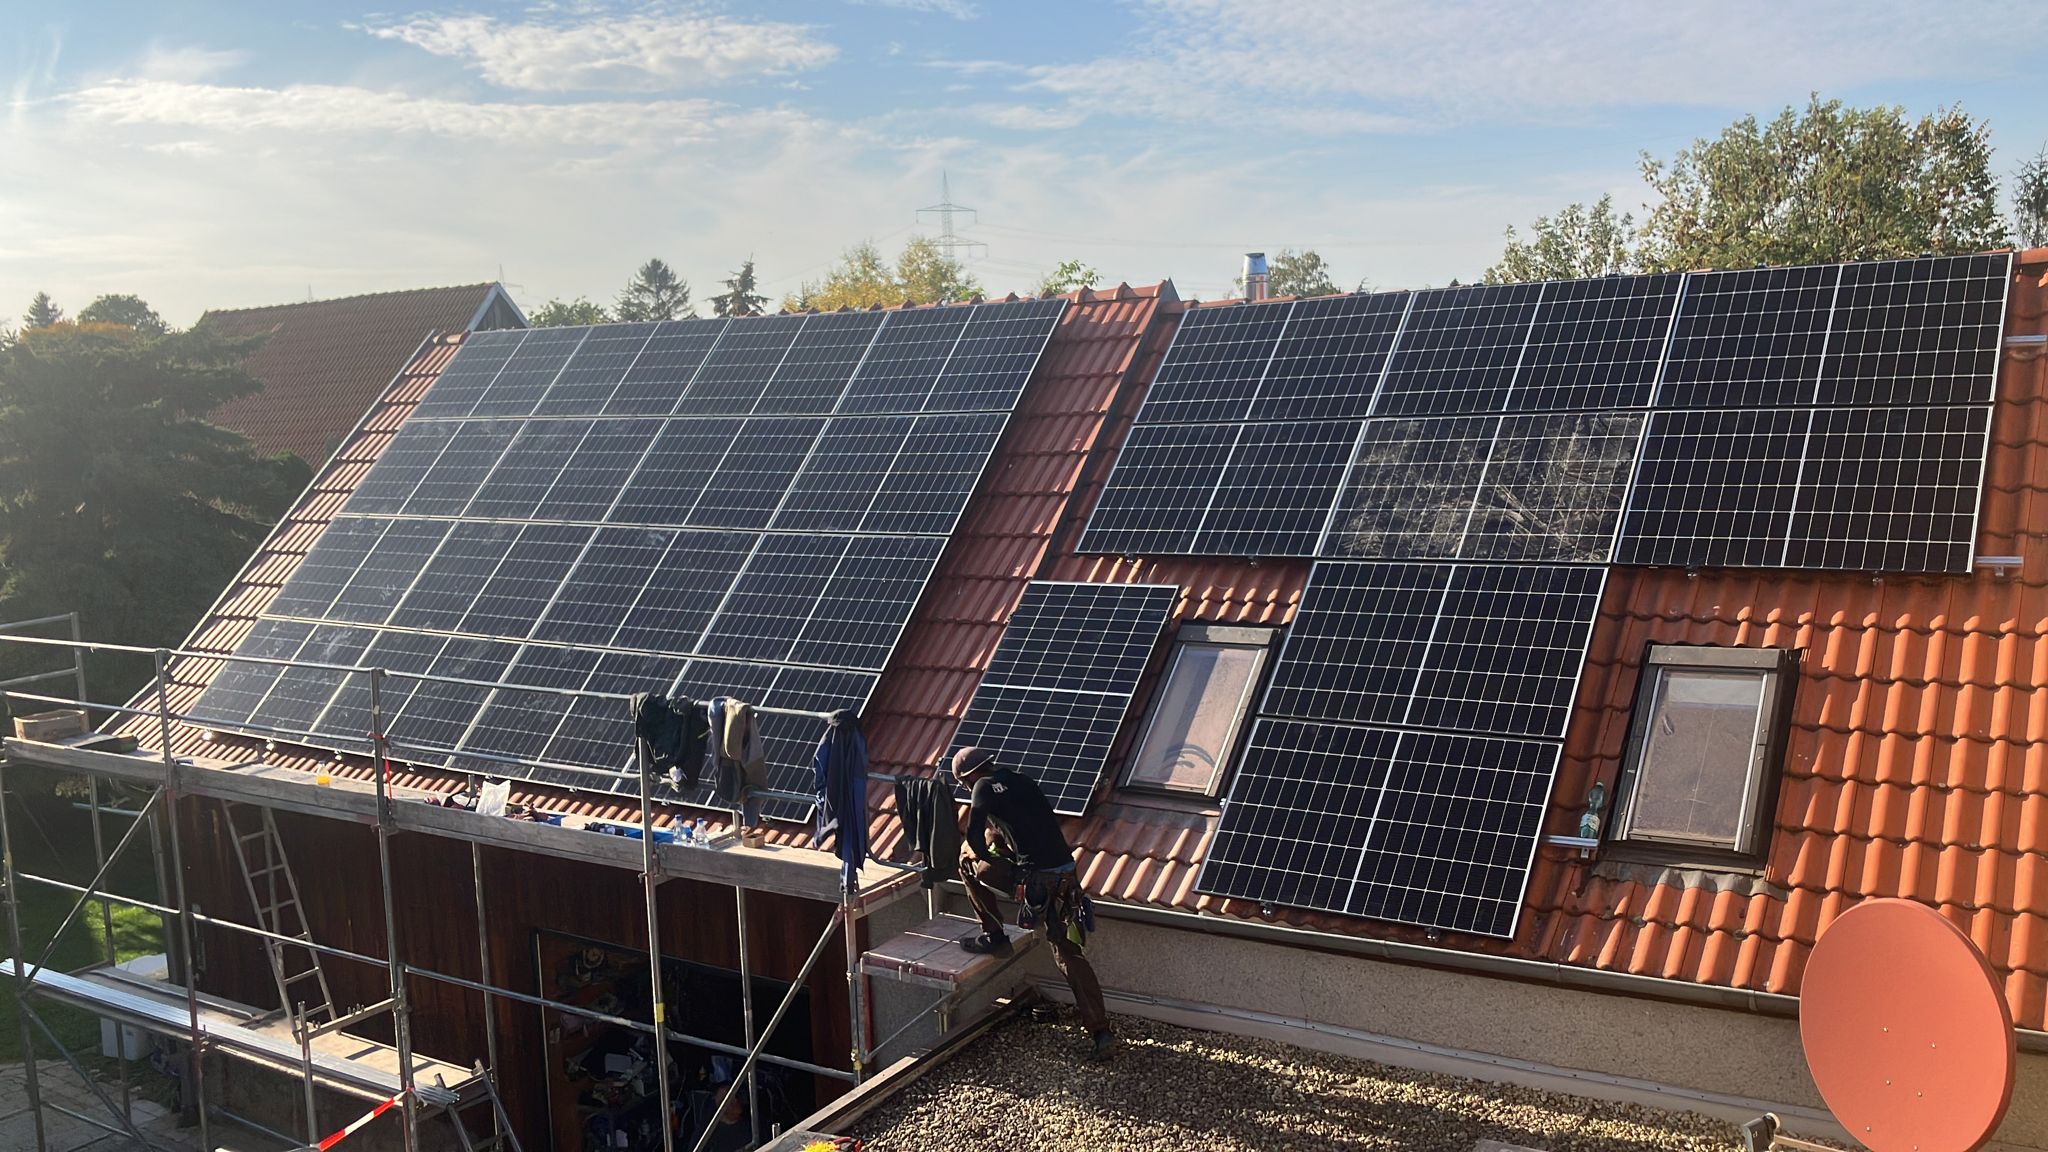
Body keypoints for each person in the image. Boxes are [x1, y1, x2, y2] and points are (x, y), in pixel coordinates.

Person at [950, 744, 1114, 1061]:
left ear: (968, 778)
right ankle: (1101, 1031)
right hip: (1066, 875)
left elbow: (973, 836)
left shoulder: (982, 788)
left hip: (1036, 881)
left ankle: (995, 936)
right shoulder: (1021, 780)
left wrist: (982, 856)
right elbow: (1022, 828)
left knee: (967, 863)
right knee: (1068, 953)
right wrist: (995, 843)